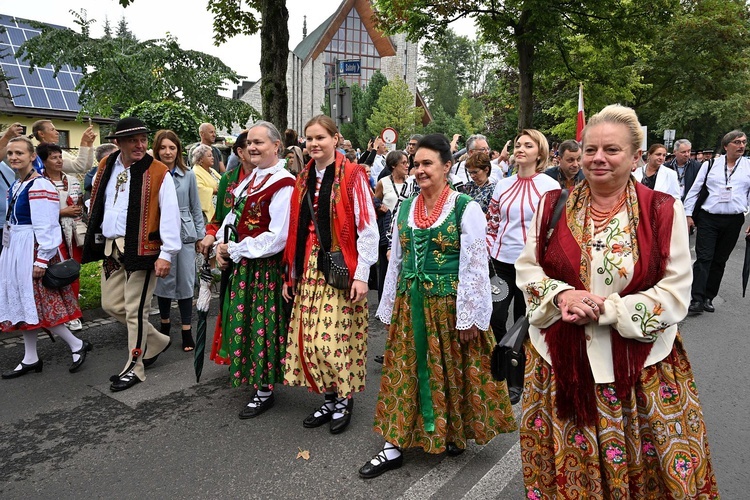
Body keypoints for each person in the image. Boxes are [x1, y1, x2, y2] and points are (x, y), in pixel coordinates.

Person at [515, 104, 719, 498]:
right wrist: (562, 295)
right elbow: (528, 271)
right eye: (590, 149)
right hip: (561, 364)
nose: (598, 158)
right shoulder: (551, 207)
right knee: (569, 473)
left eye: (612, 149)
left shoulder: (661, 210)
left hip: (639, 369)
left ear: (636, 157)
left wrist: (606, 309)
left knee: (648, 474)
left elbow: (675, 289)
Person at [359, 133, 516, 478]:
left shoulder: (464, 207)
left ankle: (450, 432)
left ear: (447, 166)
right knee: (405, 372)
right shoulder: (405, 207)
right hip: (410, 304)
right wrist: (387, 307)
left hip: (449, 305)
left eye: (427, 163)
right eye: (416, 164)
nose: (419, 170)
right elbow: (396, 264)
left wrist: (470, 317)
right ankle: (393, 444)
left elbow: (474, 266)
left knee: (450, 372)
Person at [282, 115, 378, 435]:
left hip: (339, 266)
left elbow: (367, 228)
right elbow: (295, 229)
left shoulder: (352, 175)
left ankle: (344, 399)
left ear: (335, 139)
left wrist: (362, 274)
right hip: (309, 267)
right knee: (310, 341)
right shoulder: (304, 177)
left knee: (333, 339)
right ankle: (328, 396)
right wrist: (291, 275)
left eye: (320, 137)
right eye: (309, 139)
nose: (314, 144)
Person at [82, 117, 181, 392]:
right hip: (112, 247)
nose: (140, 145)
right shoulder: (107, 164)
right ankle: (157, 341)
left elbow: (170, 215)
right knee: (112, 305)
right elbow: (99, 198)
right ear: (119, 142)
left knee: (136, 310)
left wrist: (167, 253)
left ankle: (134, 367)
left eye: (142, 139)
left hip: (143, 248)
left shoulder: (159, 171)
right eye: (132, 140)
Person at [212, 121, 296, 418]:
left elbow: (278, 236)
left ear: (276, 146)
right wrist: (221, 246)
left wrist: (235, 249)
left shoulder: (283, 182)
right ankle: (255, 378)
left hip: (264, 269)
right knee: (244, 320)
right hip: (244, 266)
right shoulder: (251, 180)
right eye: (249, 142)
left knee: (262, 324)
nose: (252, 147)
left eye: (259, 142)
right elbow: (232, 218)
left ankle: (265, 389)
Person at [1, 137, 91, 379]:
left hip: (32, 249)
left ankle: (76, 344)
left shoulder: (40, 186)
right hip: (16, 249)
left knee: (38, 306)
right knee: (23, 305)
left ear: (32, 157)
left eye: (19, 152)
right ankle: (31, 357)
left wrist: (41, 260)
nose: (13, 157)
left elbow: (48, 226)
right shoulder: (18, 184)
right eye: (10, 153)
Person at [486, 129, 559, 405]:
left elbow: (555, 229)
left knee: (523, 323)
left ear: (539, 153)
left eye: (528, 145)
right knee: (495, 316)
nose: (520, 149)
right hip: (501, 264)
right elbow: (492, 221)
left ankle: (516, 381)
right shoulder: (502, 184)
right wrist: (488, 250)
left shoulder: (549, 187)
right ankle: (503, 364)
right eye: (518, 144)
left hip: (532, 268)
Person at [684, 129, 750, 316]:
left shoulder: (748, 167)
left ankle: (708, 297)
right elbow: (695, 190)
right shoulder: (710, 164)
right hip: (708, 218)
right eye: (737, 142)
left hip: (734, 220)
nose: (741, 146)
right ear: (726, 145)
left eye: (744, 142)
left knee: (720, 260)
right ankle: (696, 299)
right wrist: (688, 215)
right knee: (704, 258)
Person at [151, 130, 205, 352]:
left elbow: (195, 207)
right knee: (162, 281)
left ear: (178, 150)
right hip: (159, 232)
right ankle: (164, 325)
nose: (168, 152)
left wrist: (200, 235)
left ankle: (186, 330)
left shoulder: (188, 174)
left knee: (185, 281)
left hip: (184, 233)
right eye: (163, 148)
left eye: (172, 148)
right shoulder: (150, 173)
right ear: (157, 150)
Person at [37, 143, 85, 332]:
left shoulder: (72, 180)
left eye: (60, 156)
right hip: (54, 234)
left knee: (73, 271)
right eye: (53, 157)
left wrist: (75, 212)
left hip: (73, 233)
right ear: (43, 161)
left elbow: (80, 203)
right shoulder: (40, 182)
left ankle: (73, 312)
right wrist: (62, 212)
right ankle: (63, 312)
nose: (59, 160)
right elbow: (39, 213)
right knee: (59, 272)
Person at [30, 119, 97, 174]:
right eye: (52, 130)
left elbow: (86, 166)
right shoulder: (45, 154)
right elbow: (79, 167)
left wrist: (89, 144)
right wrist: (83, 142)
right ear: (41, 134)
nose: (57, 132)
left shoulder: (61, 152)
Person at [193, 144, 224, 224]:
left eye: (212, 155)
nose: (213, 157)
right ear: (201, 159)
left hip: (218, 207)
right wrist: (213, 190)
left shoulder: (212, 170)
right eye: (209, 156)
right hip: (204, 215)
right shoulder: (195, 172)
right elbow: (198, 189)